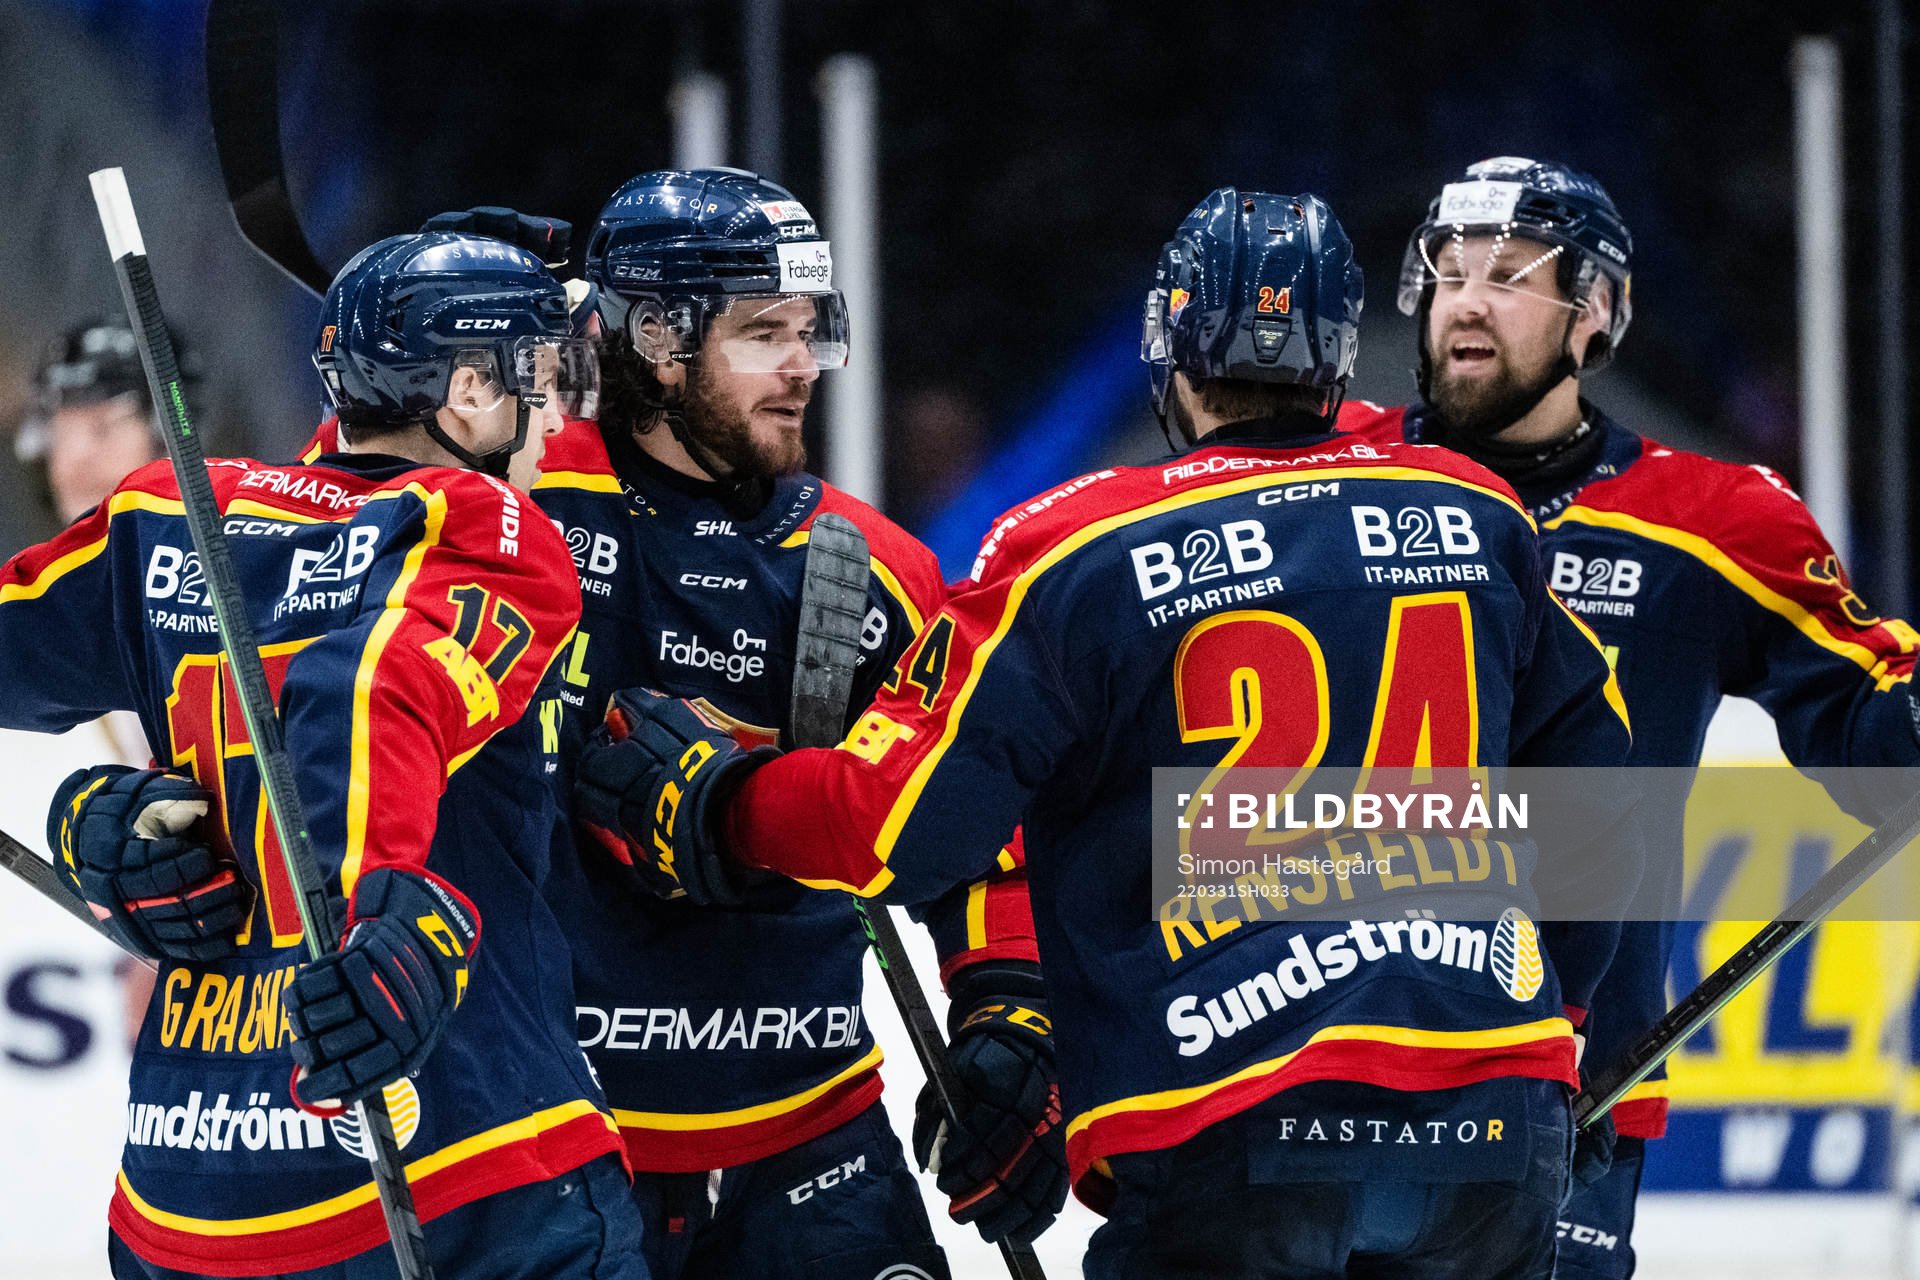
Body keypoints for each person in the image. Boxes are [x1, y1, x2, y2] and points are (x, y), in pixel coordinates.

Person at [577, 187, 1645, 1279]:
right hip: (1490, 1116)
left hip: (1234, 1107)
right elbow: (1605, 792)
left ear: (1166, 349)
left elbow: (897, 825)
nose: (802, 364)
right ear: (1339, 353)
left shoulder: (1075, 545)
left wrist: (711, 799)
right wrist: (1562, 1027)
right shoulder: (1480, 510)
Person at [0, 230, 647, 1279]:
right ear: (470, 388)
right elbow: (370, 688)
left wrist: (89, 818)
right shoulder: (483, 522)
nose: (563, 412)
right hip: (456, 1159)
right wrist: (371, 908)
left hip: (193, 1183)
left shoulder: (172, 515)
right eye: (540, 373)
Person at [1337, 155, 1920, 1278]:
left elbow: (1869, 722)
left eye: (1509, 274)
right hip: (1324, 1061)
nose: (1466, 298)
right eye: (1448, 271)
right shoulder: (1331, 471)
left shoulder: (1710, 521)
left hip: (1576, 1078)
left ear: (1595, 310)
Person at [551, 167, 1056, 1278]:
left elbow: (977, 829)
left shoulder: (871, 564)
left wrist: (1010, 1011)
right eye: (760, 331)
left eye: (808, 330)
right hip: (554, 1147)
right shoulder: (514, 510)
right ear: (657, 343)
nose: (799, 367)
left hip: (809, 1132)